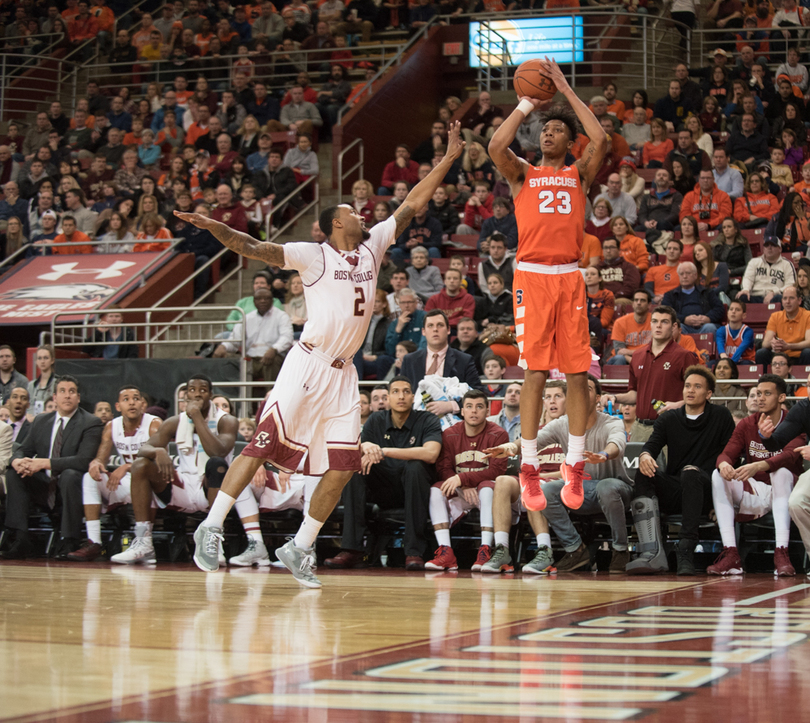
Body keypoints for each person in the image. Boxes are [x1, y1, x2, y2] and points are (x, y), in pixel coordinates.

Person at [175, 122, 465, 587]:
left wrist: (449, 158)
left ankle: (301, 546)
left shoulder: (373, 246)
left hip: (344, 375)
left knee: (345, 464)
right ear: (336, 222)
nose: (362, 213)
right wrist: (215, 228)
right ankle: (211, 526)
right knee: (264, 444)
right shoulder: (313, 255)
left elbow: (412, 203)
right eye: (353, 210)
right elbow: (254, 247)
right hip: (308, 362)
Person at [488, 58, 607, 514]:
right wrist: (525, 102)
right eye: (544, 130)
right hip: (533, 277)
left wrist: (564, 89)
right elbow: (497, 144)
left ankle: (574, 463)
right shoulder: (523, 174)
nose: (547, 134)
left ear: (568, 141)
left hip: (570, 278)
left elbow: (599, 138)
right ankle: (530, 466)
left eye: (556, 130)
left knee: (578, 372)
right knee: (535, 371)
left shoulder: (578, 173)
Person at [486, 374, 633, 573]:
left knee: (605, 487)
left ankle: (620, 550)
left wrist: (604, 454)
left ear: (598, 397)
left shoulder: (611, 422)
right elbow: (534, 440)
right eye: (576, 390)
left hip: (615, 487)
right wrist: (511, 446)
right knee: (545, 491)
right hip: (579, 489)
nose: (579, 393)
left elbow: (618, 442)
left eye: (587, 389)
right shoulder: (562, 423)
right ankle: (575, 549)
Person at [108, 375, 249, 565]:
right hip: (183, 486)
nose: (197, 394)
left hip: (212, 487)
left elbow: (218, 451)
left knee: (216, 463)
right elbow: (143, 449)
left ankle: (213, 541)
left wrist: (197, 417)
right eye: (192, 390)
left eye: (203, 390)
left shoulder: (227, 420)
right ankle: (143, 542)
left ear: (210, 395)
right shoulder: (175, 421)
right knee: (140, 465)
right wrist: (158, 450)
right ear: (186, 395)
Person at [628, 366, 735, 575]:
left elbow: (731, 456)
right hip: (677, 487)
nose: (690, 390)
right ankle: (652, 549)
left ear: (709, 394)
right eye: (687, 386)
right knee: (643, 472)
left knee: (691, 473)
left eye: (697, 386)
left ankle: (686, 549)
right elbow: (651, 445)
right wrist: (645, 456)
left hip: (707, 490)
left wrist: (722, 501)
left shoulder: (721, 416)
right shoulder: (669, 418)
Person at [710, 373, 804, 576]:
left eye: (767, 393)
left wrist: (759, 465)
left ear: (781, 398)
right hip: (758, 490)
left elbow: (789, 456)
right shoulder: (746, 424)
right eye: (758, 393)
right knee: (717, 475)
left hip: (790, 492)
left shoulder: (795, 420)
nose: (760, 398)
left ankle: (781, 553)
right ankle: (731, 554)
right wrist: (724, 464)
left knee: (780, 472)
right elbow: (727, 452)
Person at [1, 376, 104, 560]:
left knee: (70, 475)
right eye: (62, 391)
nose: (67, 396)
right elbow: (22, 449)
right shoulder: (41, 421)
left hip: (72, 487)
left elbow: (83, 460)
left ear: (78, 398)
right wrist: (17, 461)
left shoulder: (90, 422)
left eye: (71, 392)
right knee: (14, 473)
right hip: (44, 485)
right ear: (54, 397)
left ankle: (70, 539)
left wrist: (42, 462)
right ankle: (20, 538)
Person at [67, 387, 162, 561]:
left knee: (145, 481)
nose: (132, 402)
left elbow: (158, 462)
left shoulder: (154, 424)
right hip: (129, 484)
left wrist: (127, 466)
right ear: (118, 406)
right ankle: (94, 542)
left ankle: (144, 543)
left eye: (135, 398)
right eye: (126, 399)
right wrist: (96, 464)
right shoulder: (112, 426)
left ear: (142, 404)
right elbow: (100, 458)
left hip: (154, 483)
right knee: (90, 477)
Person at [481, 381, 565, 575]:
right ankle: (502, 549)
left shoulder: (574, 432)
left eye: (558, 396)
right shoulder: (534, 431)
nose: (552, 401)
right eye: (548, 397)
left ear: (569, 401)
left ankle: (545, 551)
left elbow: (580, 470)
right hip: (535, 484)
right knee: (503, 481)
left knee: (533, 484)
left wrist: (542, 475)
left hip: (561, 487)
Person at [425, 390, 509, 571]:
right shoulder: (449, 434)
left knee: (487, 488)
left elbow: (497, 470)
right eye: (469, 407)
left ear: (487, 411)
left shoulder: (499, 434)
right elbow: (443, 468)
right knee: (435, 490)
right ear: (462, 411)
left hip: (487, 493)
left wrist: (463, 478)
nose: (474, 411)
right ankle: (445, 551)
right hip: (461, 492)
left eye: (479, 407)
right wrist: (463, 486)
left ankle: (485, 549)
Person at [601, 306, 699, 443]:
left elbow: (699, 395)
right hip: (639, 427)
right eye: (655, 321)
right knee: (636, 464)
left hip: (671, 426)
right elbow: (634, 394)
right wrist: (614, 397)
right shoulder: (637, 355)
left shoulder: (684, 356)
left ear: (674, 326)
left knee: (669, 465)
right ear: (650, 324)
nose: (658, 326)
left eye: (664, 322)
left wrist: (678, 405)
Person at [213, 287, 294, 383]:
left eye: (266, 298)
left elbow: (287, 337)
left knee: (273, 360)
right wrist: (223, 346)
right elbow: (235, 339)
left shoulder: (281, 316)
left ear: (272, 300)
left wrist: (274, 349)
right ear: (254, 301)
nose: (262, 301)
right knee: (227, 362)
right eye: (259, 298)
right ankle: (233, 396)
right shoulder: (247, 318)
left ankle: (270, 396)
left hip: (272, 357)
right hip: (250, 359)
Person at [400, 309, 483, 395]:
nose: (435, 329)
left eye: (440, 325)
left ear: (448, 330)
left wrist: (452, 405)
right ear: (423, 331)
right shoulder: (409, 360)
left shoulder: (464, 360)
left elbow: (478, 393)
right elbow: (402, 392)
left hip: (450, 408)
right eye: (430, 325)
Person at [755, 285, 810, 365]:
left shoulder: (808, 315)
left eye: (791, 298)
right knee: (761, 353)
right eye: (785, 298)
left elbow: (809, 342)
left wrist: (788, 346)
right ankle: (765, 377)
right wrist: (774, 344)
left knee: (808, 352)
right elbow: (765, 343)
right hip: (780, 356)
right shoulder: (775, 316)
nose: (787, 302)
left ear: (799, 301)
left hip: (799, 356)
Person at [738, 237, 797, 303]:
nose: (769, 248)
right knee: (742, 296)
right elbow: (748, 278)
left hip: (775, 296)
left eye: (773, 245)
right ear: (763, 249)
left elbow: (791, 285)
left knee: (781, 298)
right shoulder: (754, 262)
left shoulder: (787, 264)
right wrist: (746, 289)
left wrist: (774, 292)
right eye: (766, 245)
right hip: (756, 296)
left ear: (780, 249)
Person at [636, 168, 683, 243]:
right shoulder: (646, 197)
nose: (661, 177)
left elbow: (675, 214)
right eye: (659, 175)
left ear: (669, 181)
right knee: (636, 229)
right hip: (649, 225)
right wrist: (646, 223)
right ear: (654, 180)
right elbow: (642, 214)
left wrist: (658, 223)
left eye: (664, 175)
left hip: (666, 224)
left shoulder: (676, 195)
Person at [607, 289, 652, 365]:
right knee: (619, 358)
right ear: (632, 304)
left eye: (643, 300)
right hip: (623, 359)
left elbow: (656, 351)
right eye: (636, 300)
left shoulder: (655, 322)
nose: (638, 303)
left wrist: (631, 352)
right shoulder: (620, 322)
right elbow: (619, 351)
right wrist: (634, 361)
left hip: (646, 358)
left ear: (649, 305)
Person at [597, 237, 641, 305]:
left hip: (620, 298)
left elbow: (631, 287)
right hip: (599, 298)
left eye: (611, 247)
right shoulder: (597, 268)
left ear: (619, 250)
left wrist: (614, 296)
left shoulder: (628, 267)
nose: (608, 251)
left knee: (619, 302)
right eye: (605, 248)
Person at [645, 239, 684, 303]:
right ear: (665, 251)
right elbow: (648, 289)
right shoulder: (653, 270)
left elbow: (685, 289)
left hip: (675, 300)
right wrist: (655, 298)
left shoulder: (684, 270)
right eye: (669, 248)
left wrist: (666, 297)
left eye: (675, 249)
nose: (671, 251)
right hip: (655, 300)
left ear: (681, 253)